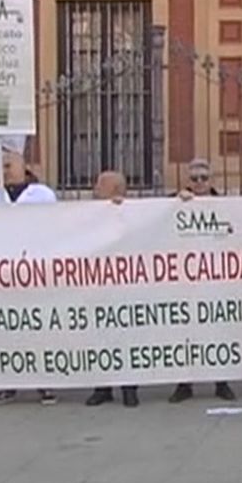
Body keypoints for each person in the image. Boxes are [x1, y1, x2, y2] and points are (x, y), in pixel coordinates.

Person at [0, 143, 59, 408]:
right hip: (1, 274)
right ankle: (6, 385)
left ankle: (45, 384)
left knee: (37, 329)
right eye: (1, 166)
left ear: (24, 166)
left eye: (9, 165)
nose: (5, 171)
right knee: (5, 331)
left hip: (35, 273)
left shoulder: (43, 195)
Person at [171, 158, 237, 403]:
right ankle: (184, 384)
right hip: (184, 282)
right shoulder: (174, 202)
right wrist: (175, 201)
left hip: (215, 280)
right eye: (194, 179)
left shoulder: (224, 205)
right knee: (185, 333)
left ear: (212, 180)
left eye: (204, 178)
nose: (199, 183)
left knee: (218, 332)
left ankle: (221, 382)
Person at [85, 171, 140, 408]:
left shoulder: (134, 213)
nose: (94, 190)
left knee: (127, 337)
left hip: (125, 286)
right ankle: (103, 388)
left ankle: (129, 388)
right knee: (100, 337)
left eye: (100, 186)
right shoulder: (90, 213)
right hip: (99, 284)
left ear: (115, 190)